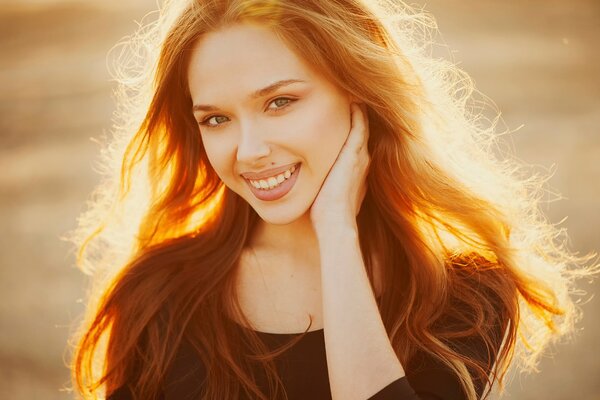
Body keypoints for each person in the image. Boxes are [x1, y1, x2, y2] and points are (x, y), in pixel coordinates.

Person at [67, 0, 598, 399]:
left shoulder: (462, 292)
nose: (249, 152)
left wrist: (338, 234)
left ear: (360, 94)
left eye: (280, 101)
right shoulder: (159, 293)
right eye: (216, 119)